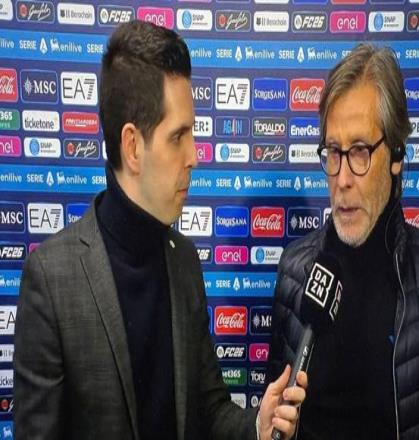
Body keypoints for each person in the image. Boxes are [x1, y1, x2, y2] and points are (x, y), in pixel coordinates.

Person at [14, 20, 306, 440]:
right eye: (178, 136)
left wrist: (258, 425)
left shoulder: (183, 260)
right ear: (133, 146)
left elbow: (210, 410)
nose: (194, 156)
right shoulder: (51, 279)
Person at [266, 43, 419, 440]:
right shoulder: (295, 273)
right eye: (333, 152)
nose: (342, 178)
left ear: (397, 155)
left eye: (359, 151)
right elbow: (273, 422)